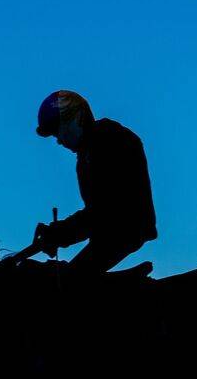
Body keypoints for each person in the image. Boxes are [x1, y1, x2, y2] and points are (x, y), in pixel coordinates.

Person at [30, 91, 157, 273]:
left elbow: (106, 211)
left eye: (58, 130)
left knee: (68, 282)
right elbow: (97, 212)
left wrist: (60, 233)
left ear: (78, 118)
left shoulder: (109, 140)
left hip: (123, 231)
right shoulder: (86, 154)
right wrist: (59, 233)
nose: (58, 140)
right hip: (110, 234)